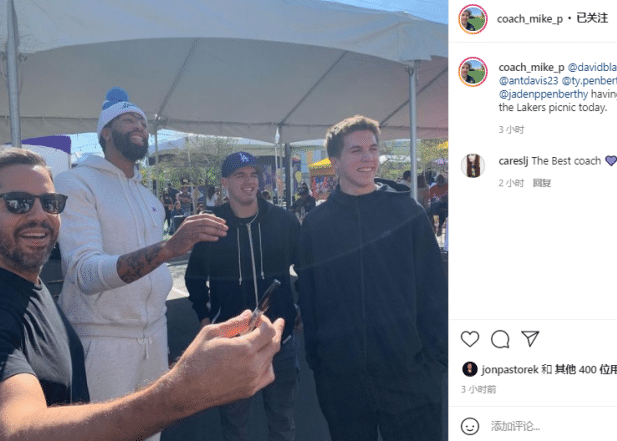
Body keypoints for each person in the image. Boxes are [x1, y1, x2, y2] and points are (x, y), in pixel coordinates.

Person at [0, 147, 284, 441]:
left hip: (151, 339)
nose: (39, 215)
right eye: (18, 203)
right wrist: (181, 390)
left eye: (50, 202)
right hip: (109, 347)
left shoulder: (31, 288)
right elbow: (17, 431)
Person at [54, 87, 230, 441]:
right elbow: (85, 273)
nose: (140, 126)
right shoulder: (75, 182)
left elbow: (154, 276)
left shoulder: (149, 198)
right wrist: (169, 248)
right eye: (128, 119)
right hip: (101, 343)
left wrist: (156, 330)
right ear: (105, 132)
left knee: (152, 434)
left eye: (143, 122)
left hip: (153, 336)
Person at [297, 115, 447, 441]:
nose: (368, 158)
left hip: (410, 375)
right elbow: (309, 297)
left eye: (373, 149)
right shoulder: (316, 225)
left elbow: (434, 291)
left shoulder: (408, 214)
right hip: (342, 381)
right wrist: (320, 363)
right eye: (356, 151)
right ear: (335, 162)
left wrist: (435, 363)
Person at [186, 151, 300, 441]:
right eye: (240, 175)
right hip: (232, 343)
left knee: (283, 422)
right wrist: (204, 317)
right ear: (224, 182)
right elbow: (194, 277)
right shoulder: (212, 226)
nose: (249, 181)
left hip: (279, 340)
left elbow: (307, 267)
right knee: (234, 425)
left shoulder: (284, 221)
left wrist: (299, 309)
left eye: (253, 175)